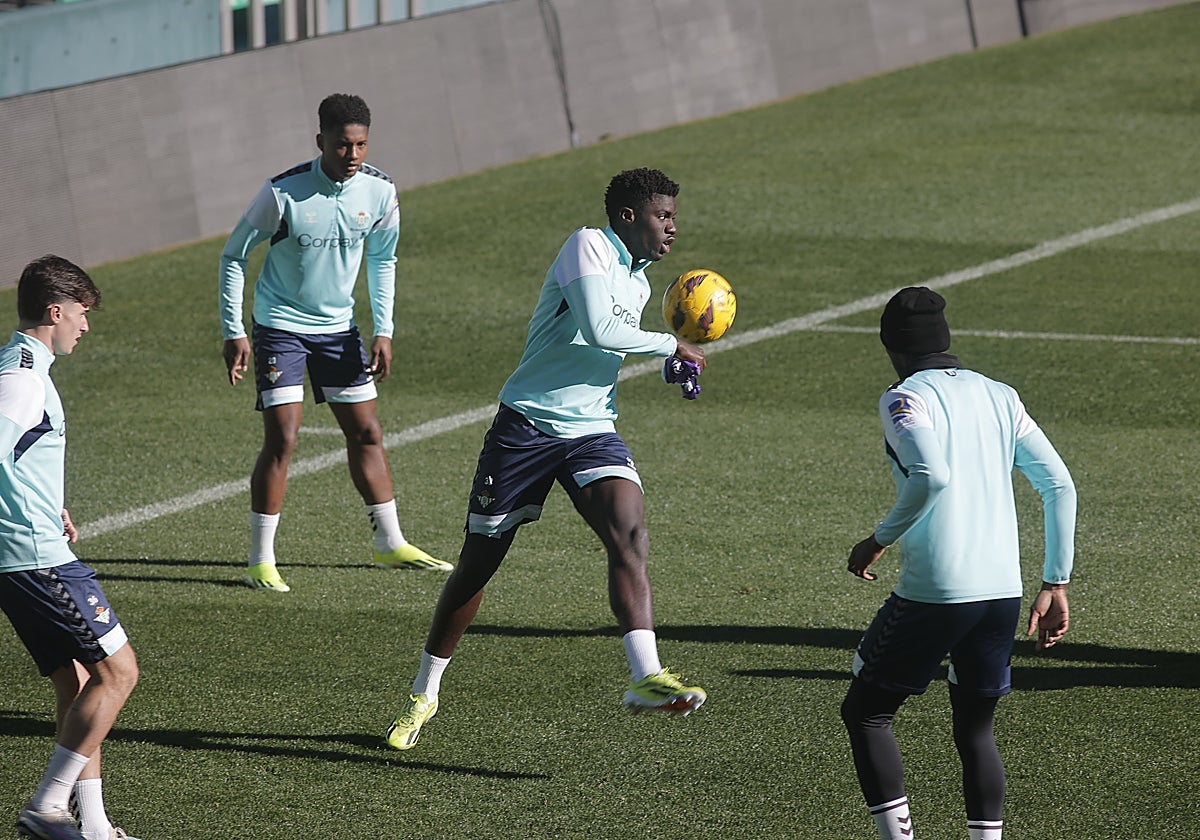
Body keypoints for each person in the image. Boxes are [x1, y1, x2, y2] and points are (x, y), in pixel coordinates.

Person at [384, 168, 709, 751]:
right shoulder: (585, 245)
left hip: (591, 430)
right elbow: (598, 328)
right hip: (527, 427)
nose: (673, 228)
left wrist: (666, 362)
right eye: (664, 216)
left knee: (629, 535)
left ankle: (645, 676)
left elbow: (603, 349)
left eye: (674, 217)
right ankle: (424, 692)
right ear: (629, 216)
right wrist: (669, 344)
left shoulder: (639, 280)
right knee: (479, 563)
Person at [840, 287, 1077, 840]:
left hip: (937, 592)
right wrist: (1056, 582)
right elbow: (1059, 485)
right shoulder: (1001, 395)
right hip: (1002, 592)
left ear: (893, 348)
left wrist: (877, 539)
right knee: (974, 729)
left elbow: (931, 475)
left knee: (868, 712)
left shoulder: (904, 397)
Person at [219, 93, 449, 593]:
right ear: (320, 139)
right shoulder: (282, 192)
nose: (353, 155)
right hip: (280, 325)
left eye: (362, 145)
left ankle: (389, 543)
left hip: (339, 331)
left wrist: (383, 329)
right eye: (343, 145)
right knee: (283, 437)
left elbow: (383, 261)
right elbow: (233, 255)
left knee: (367, 432)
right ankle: (260, 560)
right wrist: (233, 329)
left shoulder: (380, 192)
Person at [0, 256, 141, 840]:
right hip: (36, 558)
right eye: (81, 314)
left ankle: (95, 827)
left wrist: (47, 500)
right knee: (120, 673)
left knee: (81, 684)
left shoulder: (24, 366)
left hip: (28, 547)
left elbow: (16, 453)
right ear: (55, 312)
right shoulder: (21, 378)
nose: (86, 325)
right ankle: (49, 806)